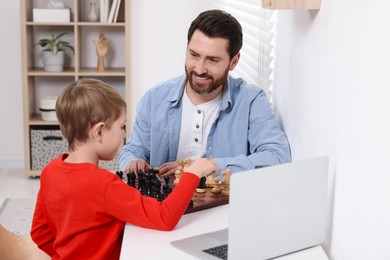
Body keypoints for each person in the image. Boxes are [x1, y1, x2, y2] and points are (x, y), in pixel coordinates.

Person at [30, 79, 217, 259]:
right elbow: (165, 217)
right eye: (121, 126)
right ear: (99, 131)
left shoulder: (49, 171)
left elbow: (39, 232)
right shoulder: (104, 184)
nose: (123, 135)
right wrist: (192, 173)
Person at [119, 9, 291, 177]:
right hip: (164, 204)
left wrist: (209, 167)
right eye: (194, 55)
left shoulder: (251, 101)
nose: (200, 69)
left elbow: (277, 157)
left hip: (225, 205)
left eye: (213, 60)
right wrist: (133, 161)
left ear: (234, 61)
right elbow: (134, 150)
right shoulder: (154, 99)